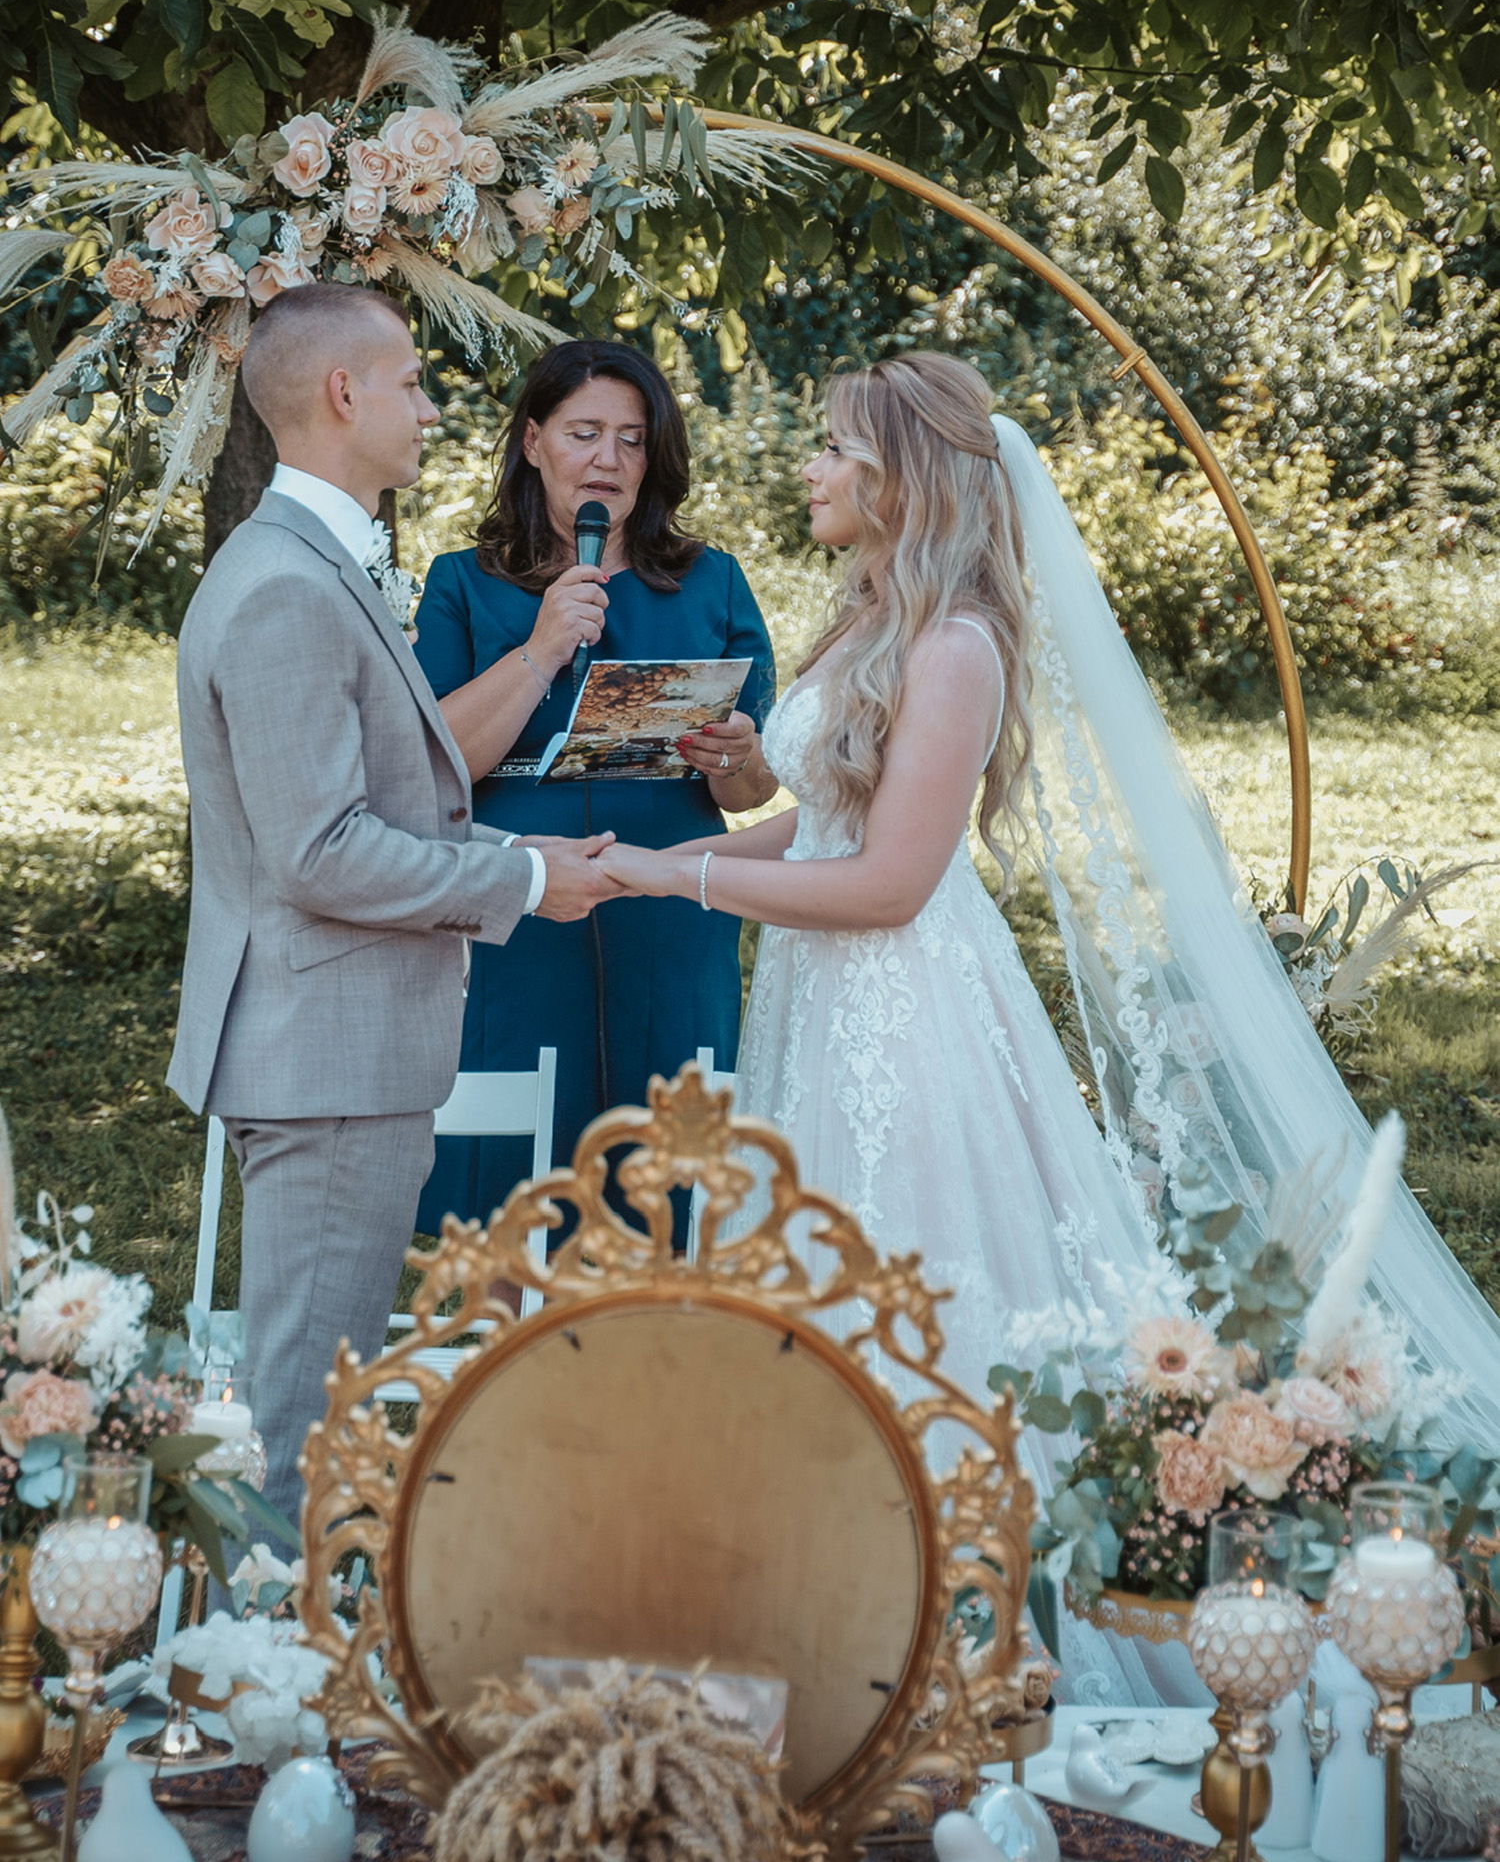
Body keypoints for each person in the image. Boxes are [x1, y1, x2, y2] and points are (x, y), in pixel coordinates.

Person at [600, 351, 1500, 1701]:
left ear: (904, 477)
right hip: (815, 1003)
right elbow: (832, 822)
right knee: (809, 1312)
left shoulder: (957, 645)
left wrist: (681, 879)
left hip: (906, 1022)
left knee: (919, 1301)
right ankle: (824, 1625)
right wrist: (697, 833)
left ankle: (966, 1649)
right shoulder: (864, 620)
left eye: (838, 449)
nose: (813, 469)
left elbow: (895, 883)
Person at [167, 284, 618, 1534]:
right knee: (305, 1434)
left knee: (331, 1410)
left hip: (351, 1056)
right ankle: (273, 1701)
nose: (431, 405)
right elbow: (319, 851)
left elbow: (379, 802)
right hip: (323, 1063)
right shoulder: (281, 591)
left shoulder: (318, 565)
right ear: (342, 394)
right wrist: (524, 879)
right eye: (413, 381)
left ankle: (309, 1685)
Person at [411, 340, 777, 1233]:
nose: (607, 459)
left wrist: (734, 754)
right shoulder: (463, 584)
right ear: (533, 441)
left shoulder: (710, 579)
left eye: (631, 439)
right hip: (522, 894)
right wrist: (540, 649)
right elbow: (431, 766)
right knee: (511, 1161)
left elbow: (749, 796)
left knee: (670, 1149)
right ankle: (506, 1353)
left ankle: (662, 1344)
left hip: (671, 895)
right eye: (583, 433)